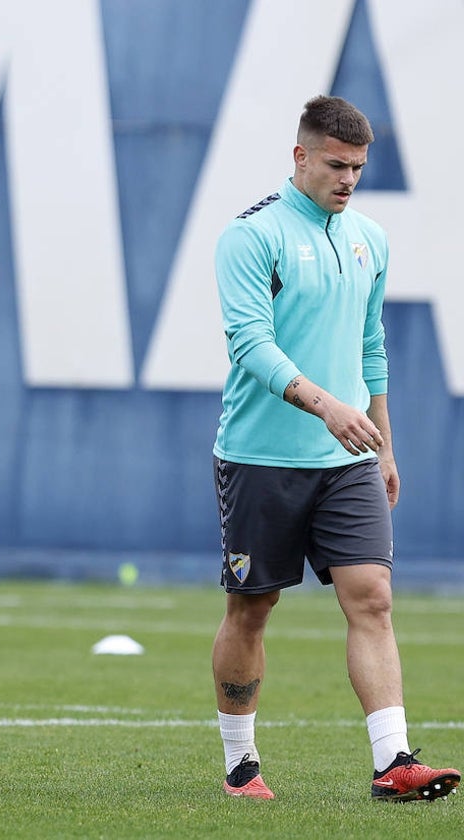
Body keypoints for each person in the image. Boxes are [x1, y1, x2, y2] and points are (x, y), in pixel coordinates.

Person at [211, 95, 458, 801]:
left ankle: (394, 762)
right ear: (301, 157)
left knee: (373, 598)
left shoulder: (369, 238)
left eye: (358, 168)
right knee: (252, 607)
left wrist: (382, 444)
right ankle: (240, 763)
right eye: (337, 165)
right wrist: (327, 406)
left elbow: (370, 344)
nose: (348, 180)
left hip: (347, 457)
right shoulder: (250, 236)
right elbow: (250, 345)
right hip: (261, 455)